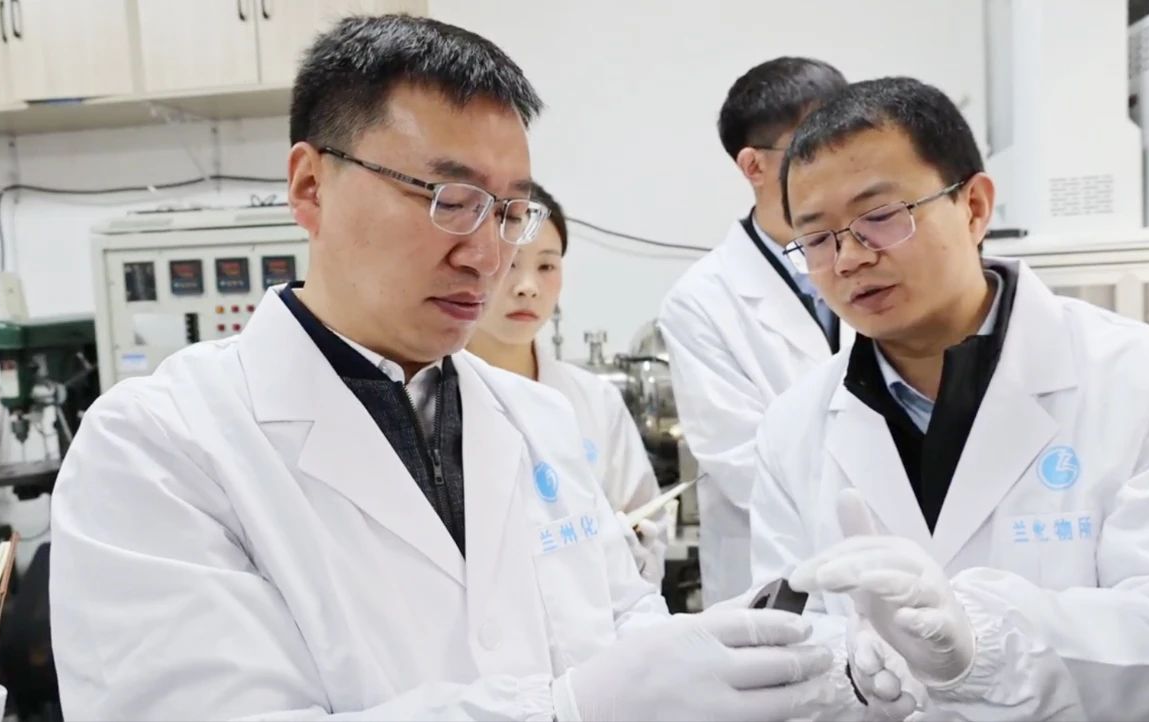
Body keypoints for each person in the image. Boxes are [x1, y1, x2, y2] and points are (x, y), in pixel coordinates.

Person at [47, 15, 837, 721]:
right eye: (450, 199)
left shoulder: (535, 419)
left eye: (510, 211)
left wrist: (799, 671)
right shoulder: (158, 449)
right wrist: (563, 710)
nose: (488, 254)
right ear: (310, 186)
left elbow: (628, 628)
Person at [752, 76, 1149, 720]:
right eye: (818, 239)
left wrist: (984, 645)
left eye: (879, 217)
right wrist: (851, 669)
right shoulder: (793, 426)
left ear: (974, 207)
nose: (848, 260)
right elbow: (787, 639)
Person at [658, 57, 849, 606]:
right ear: (754, 166)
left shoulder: (870, 259)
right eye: (811, 145)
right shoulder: (701, 301)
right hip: (777, 571)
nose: (839, 160)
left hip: (889, 549)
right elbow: (742, 461)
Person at [467, 183, 667, 586]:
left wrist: (626, 547)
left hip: (603, 615)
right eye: (510, 263)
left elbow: (648, 527)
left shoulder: (595, 401)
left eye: (546, 266)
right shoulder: (435, 395)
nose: (528, 286)